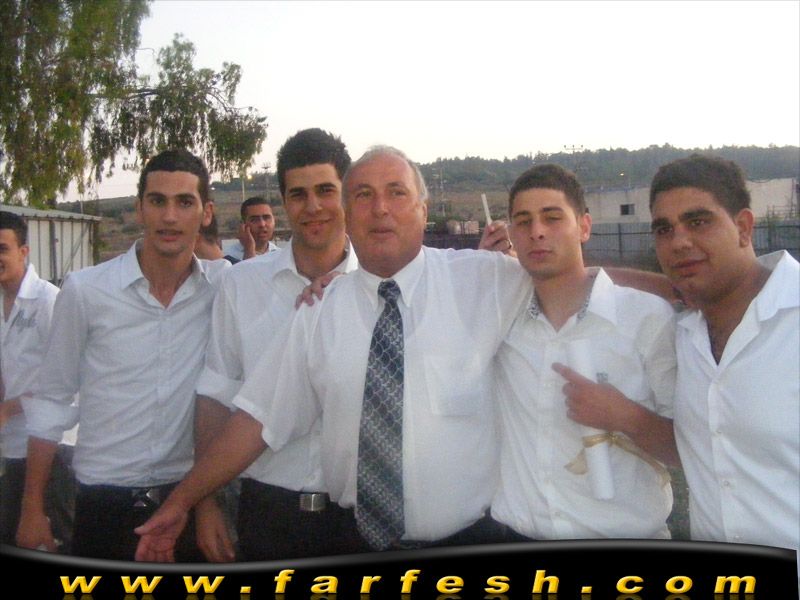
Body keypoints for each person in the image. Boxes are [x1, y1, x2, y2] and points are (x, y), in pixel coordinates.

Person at [134, 145, 531, 561]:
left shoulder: (486, 281)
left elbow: (566, 291)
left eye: (396, 192)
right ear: (347, 213)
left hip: (470, 544)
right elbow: (258, 419)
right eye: (363, 195)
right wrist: (183, 502)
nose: (380, 208)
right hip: (353, 543)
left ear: (423, 209)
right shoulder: (319, 310)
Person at [16, 148, 229, 561]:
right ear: (139, 208)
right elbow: (52, 398)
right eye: (158, 201)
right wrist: (32, 507)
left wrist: (326, 282)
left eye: (184, 202)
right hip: (103, 503)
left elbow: (285, 279)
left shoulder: (224, 287)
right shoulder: (86, 290)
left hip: (187, 499)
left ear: (206, 213)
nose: (170, 216)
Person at [190, 128, 358, 562]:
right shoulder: (241, 285)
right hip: (269, 514)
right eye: (298, 194)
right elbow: (215, 396)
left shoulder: (381, 287)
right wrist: (205, 502)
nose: (313, 206)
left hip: (362, 518)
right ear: (284, 201)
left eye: (326, 190)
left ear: (347, 193)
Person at [490, 164, 679, 541]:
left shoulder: (646, 318)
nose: (537, 231)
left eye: (552, 217)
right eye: (523, 221)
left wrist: (627, 416)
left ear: (584, 227)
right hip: (520, 537)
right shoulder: (500, 319)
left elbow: (692, 449)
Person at [649, 154, 799, 553]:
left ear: (743, 227)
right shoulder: (685, 334)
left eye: (699, 222)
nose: (679, 242)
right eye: (664, 229)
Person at [0, 211, 77, 552]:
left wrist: (8, 409)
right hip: (12, 448)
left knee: (55, 543)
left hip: (51, 448)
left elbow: (67, 380)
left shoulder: (48, 301)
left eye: (2, 249)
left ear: (24, 251)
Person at [225, 196, 279, 261]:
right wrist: (249, 249)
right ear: (243, 224)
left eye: (266, 218)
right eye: (254, 220)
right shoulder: (229, 257)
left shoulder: (281, 255)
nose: (262, 224)